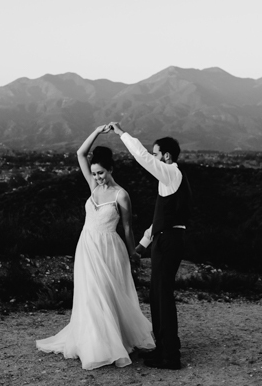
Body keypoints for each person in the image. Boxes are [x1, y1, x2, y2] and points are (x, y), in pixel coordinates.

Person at [36, 125, 155, 370]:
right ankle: (93, 342)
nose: (98, 177)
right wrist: (97, 132)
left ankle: (111, 343)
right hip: (87, 246)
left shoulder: (121, 195)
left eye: (101, 173)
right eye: (95, 173)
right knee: (89, 295)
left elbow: (128, 227)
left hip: (110, 248)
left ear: (110, 169)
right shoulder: (93, 187)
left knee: (107, 294)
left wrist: (134, 254)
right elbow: (80, 154)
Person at [110, 122, 190, 370]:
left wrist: (122, 134)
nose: (154, 158)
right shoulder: (168, 180)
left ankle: (171, 356)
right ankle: (163, 349)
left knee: (163, 296)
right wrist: (142, 247)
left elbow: (142, 157)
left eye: (157, 154)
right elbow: (159, 221)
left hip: (169, 242)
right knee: (157, 295)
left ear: (166, 156)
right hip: (163, 240)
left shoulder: (171, 173)